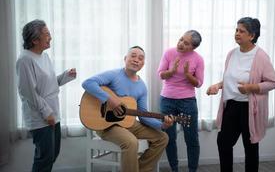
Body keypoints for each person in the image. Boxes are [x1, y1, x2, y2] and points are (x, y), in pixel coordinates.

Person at [82, 46, 174, 172]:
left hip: (129, 123)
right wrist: (110, 99)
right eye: (133, 56)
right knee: (131, 142)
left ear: (143, 64)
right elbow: (87, 83)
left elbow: (143, 116)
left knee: (163, 138)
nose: (136, 60)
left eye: (140, 58)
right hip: (106, 125)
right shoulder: (114, 74)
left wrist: (162, 125)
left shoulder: (142, 87)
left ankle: (140, 169)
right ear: (125, 58)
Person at [206, 17, 275, 172]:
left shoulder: (261, 56)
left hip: (250, 109)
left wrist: (251, 87)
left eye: (241, 31)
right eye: (236, 30)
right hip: (231, 106)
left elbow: (272, 82)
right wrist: (218, 86)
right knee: (223, 142)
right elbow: (230, 79)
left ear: (251, 36)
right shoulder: (231, 54)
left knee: (250, 147)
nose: (237, 33)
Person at [16, 19, 77, 172]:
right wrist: (46, 112)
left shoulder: (44, 57)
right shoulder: (25, 59)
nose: (50, 37)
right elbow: (28, 92)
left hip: (52, 114)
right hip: (41, 117)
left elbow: (49, 85)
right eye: (47, 34)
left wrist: (66, 76)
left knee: (52, 155)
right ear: (35, 40)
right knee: (44, 159)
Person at [157, 30, 204, 172]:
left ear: (193, 47)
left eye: (186, 43)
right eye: (181, 39)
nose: (181, 44)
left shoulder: (198, 59)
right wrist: (172, 71)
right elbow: (160, 75)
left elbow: (199, 83)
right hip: (167, 100)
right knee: (169, 138)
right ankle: (174, 169)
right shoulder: (169, 53)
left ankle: (192, 170)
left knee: (191, 139)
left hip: (187, 102)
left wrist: (188, 74)